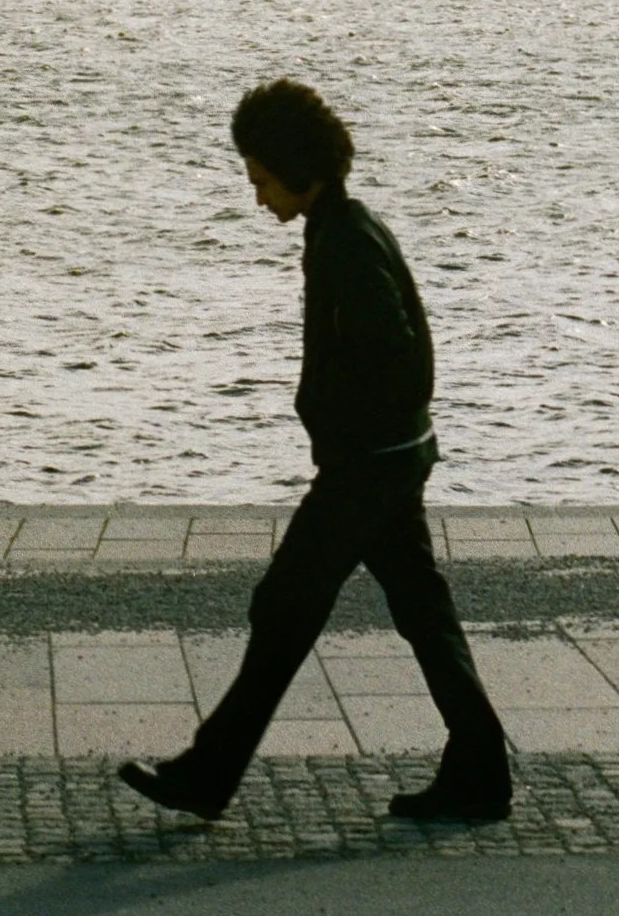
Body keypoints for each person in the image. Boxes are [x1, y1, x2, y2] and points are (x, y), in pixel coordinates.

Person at [120, 78, 511, 824]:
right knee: (420, 611)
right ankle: (480, 767)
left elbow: (395, 357)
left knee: (285, 607)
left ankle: (210, 772)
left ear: (298, 167)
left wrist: (340, 425)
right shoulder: (345, 227)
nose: (258, 197)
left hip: (366, 467)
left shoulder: (347, 243)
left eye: (262, 180)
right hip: (390, 457)